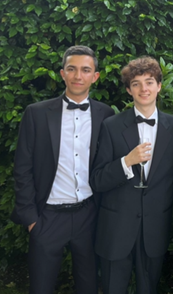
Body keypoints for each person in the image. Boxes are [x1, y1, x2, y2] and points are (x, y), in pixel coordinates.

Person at [11, 45, 114, 294]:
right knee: (41, 286)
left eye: (85, 70)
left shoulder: (105, 114)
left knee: (89, 284)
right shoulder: (36, 114)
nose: (78, 75)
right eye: (72, 69)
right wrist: (31, 219)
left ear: (95, 76)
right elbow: (22, 168)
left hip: (88, 215)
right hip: (47, 217)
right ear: (62, 73)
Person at [90, 56, 173, 294]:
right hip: (116, 229)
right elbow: (97, 179)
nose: (144, 89)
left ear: (159, 86)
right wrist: (126, 162)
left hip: (155, 228)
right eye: (137, 83)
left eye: (149, 82)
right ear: (129, 90)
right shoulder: (110, 126)